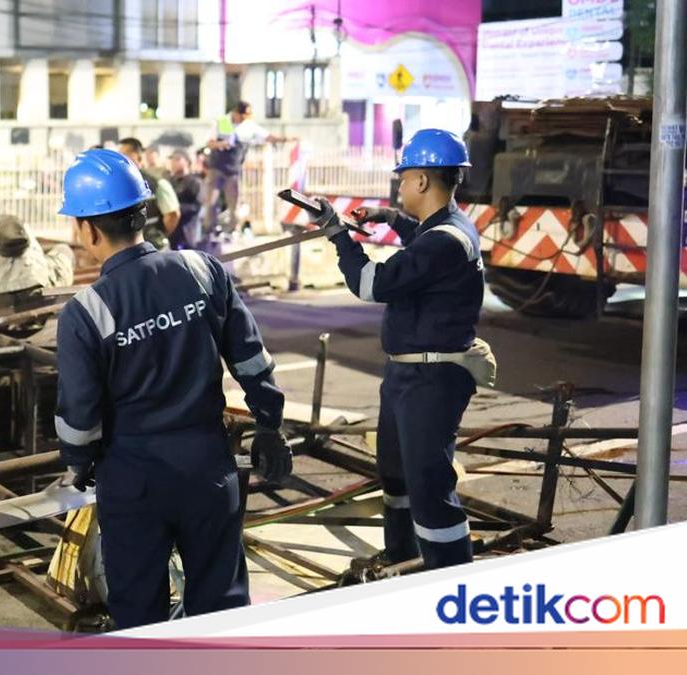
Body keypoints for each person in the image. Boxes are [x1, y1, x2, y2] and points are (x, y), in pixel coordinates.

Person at [54, 148, 292, 629]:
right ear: (143, 212)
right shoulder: (202, 271)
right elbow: (251, 360)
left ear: (89, 230)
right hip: (209, 468)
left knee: (140, 615)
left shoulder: (85, 312)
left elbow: (79, 418)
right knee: (221, 609)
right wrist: (269, 425)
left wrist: (79, 463)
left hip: (134, 479)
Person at [316, 128, 492, 571]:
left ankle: (449, 581)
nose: (398, 184)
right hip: (407, 375)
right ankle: (402, 559)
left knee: (430, 491)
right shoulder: (445, 227)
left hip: (431, 381)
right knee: (396, 479)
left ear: (420, 182)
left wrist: (340, 236)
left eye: (402, 177)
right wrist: (391, 219)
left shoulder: (444, 242)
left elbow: (370, 284)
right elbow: (422, 238)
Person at [204, 101, 288, 235]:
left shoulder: (248, 126)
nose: (243, 120)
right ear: (235, 113)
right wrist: (221, 144)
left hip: (233, 171)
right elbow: (209, 143)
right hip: (217, 169)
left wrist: (285, 139)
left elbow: (267, 136)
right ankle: (209, 231)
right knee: (211, 203)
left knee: (234, 204)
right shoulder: (221, 122)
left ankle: (232, 231)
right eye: (242, 116)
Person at [116, 138, 179, 250]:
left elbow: (173, 214)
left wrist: (158, 234)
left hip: (156, 248)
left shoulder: (157, 183)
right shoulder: (120, 185)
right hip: (132, 251)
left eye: (125, 155)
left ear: (139, 157)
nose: (120, 160)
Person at [168, 150, 203, 250]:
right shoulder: (170, 181)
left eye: (177, 159)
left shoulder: (194, 181)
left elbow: (197, 206)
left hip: (188, 232)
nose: (173, 162)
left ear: (187, 162)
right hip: (173, 232)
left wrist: (177, 208)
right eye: (172, 160)